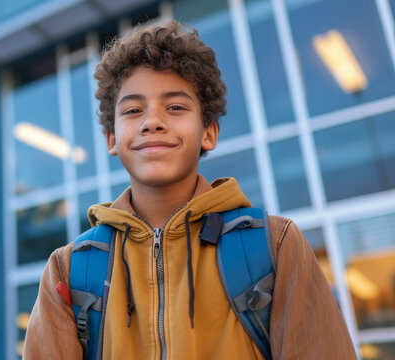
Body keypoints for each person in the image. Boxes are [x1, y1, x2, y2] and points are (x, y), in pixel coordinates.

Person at [22, 21, 356, 359]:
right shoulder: (68, 269)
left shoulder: (277, 245)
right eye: (133, 110)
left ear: (208, 133)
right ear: (112, 139)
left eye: (175, 107)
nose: (152, 121)